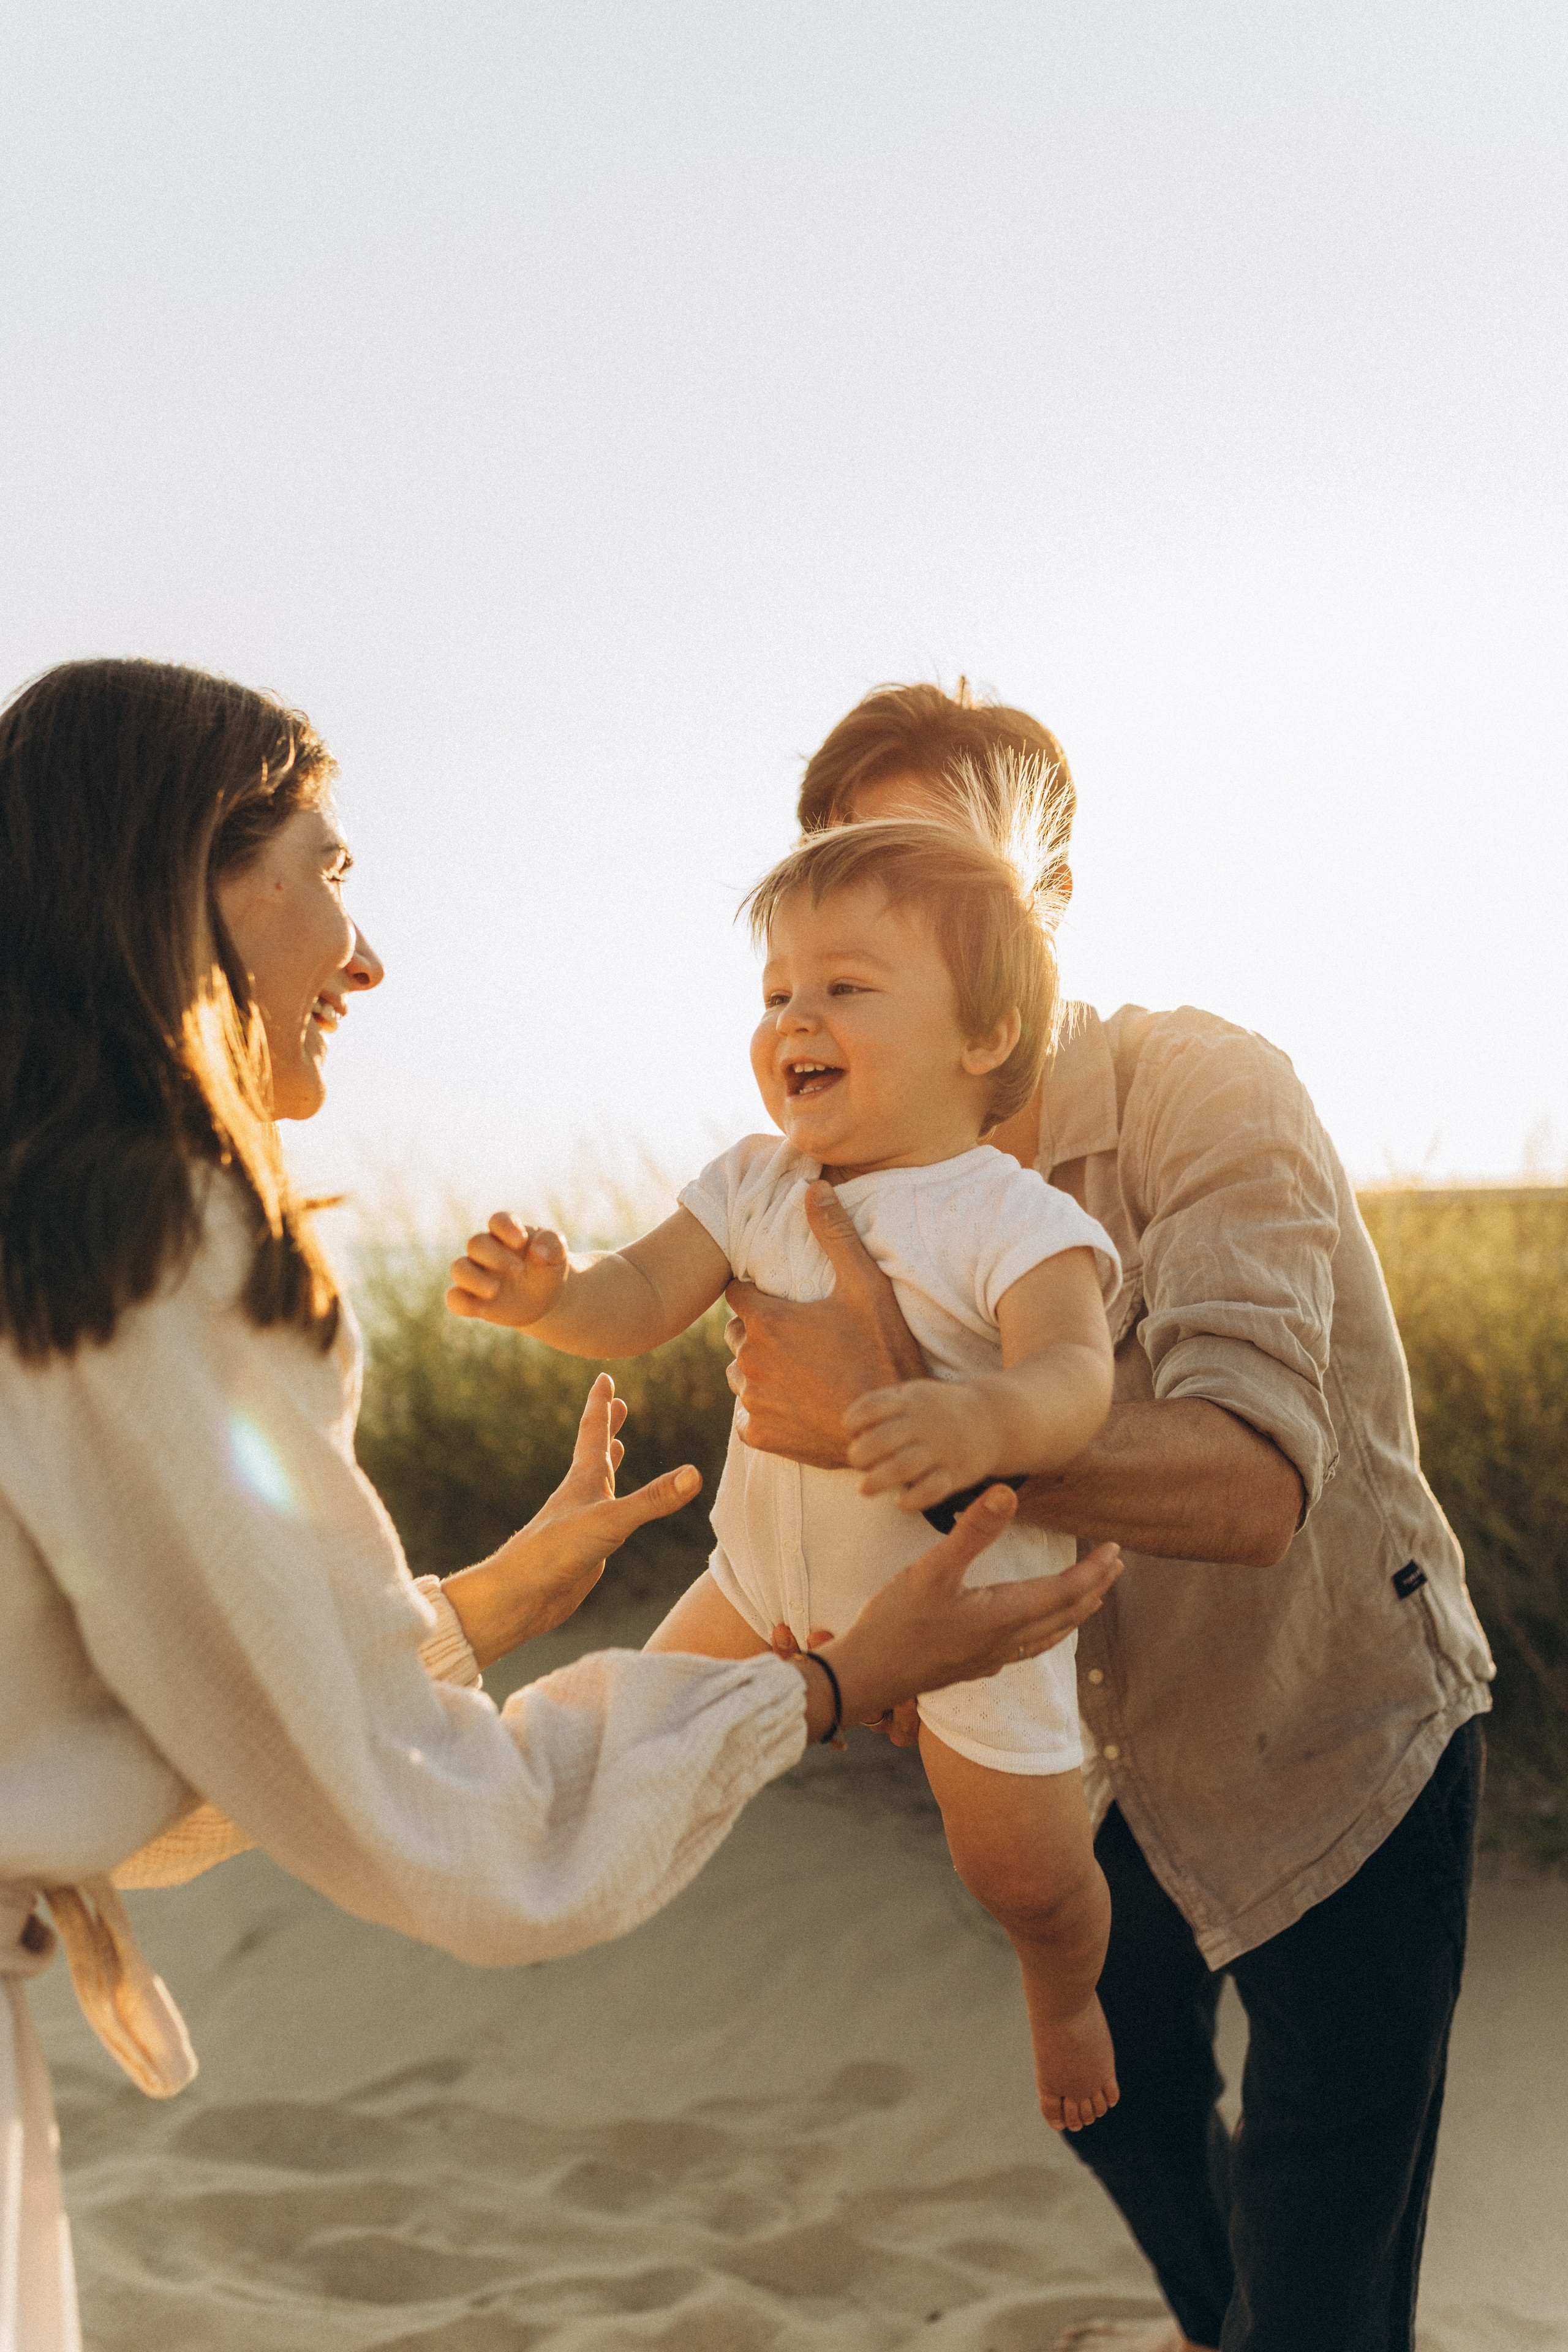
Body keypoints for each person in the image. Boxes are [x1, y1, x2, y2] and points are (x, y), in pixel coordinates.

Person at [0, 659, 1124, 2352]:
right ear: (193, 879)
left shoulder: (40, 1224)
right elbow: (468, 1843)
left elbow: (124, 1744)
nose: (367, 956)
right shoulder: (154, 1252)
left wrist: (478, 1608)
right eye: (333, 877)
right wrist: (820, 1687)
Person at [717, 682, 1495, 2352]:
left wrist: (901, 1433)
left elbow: (1252, 1481)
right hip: (1106, 1784)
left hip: (1341, 1737)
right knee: (1121, 2112)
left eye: (933, 858)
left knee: (1327, 2269)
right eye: (846, 863)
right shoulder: (836, 1181)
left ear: (1045, 904)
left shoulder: (1201, 1091)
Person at [448, 780, 1126, 2130]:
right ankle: (479, 1855)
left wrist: (975, 1420)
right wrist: (548, 1293)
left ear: (984, 1033)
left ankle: (1061, 1992)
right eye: (774, 996)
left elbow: (1072, 1377)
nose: (792, 1022)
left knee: (1022, 1874)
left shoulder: (1007, 1215)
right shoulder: (754, 1182)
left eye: (845, 989)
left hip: (964, 1613)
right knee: (632, 1732)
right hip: (761, 1583)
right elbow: (639, 1297)